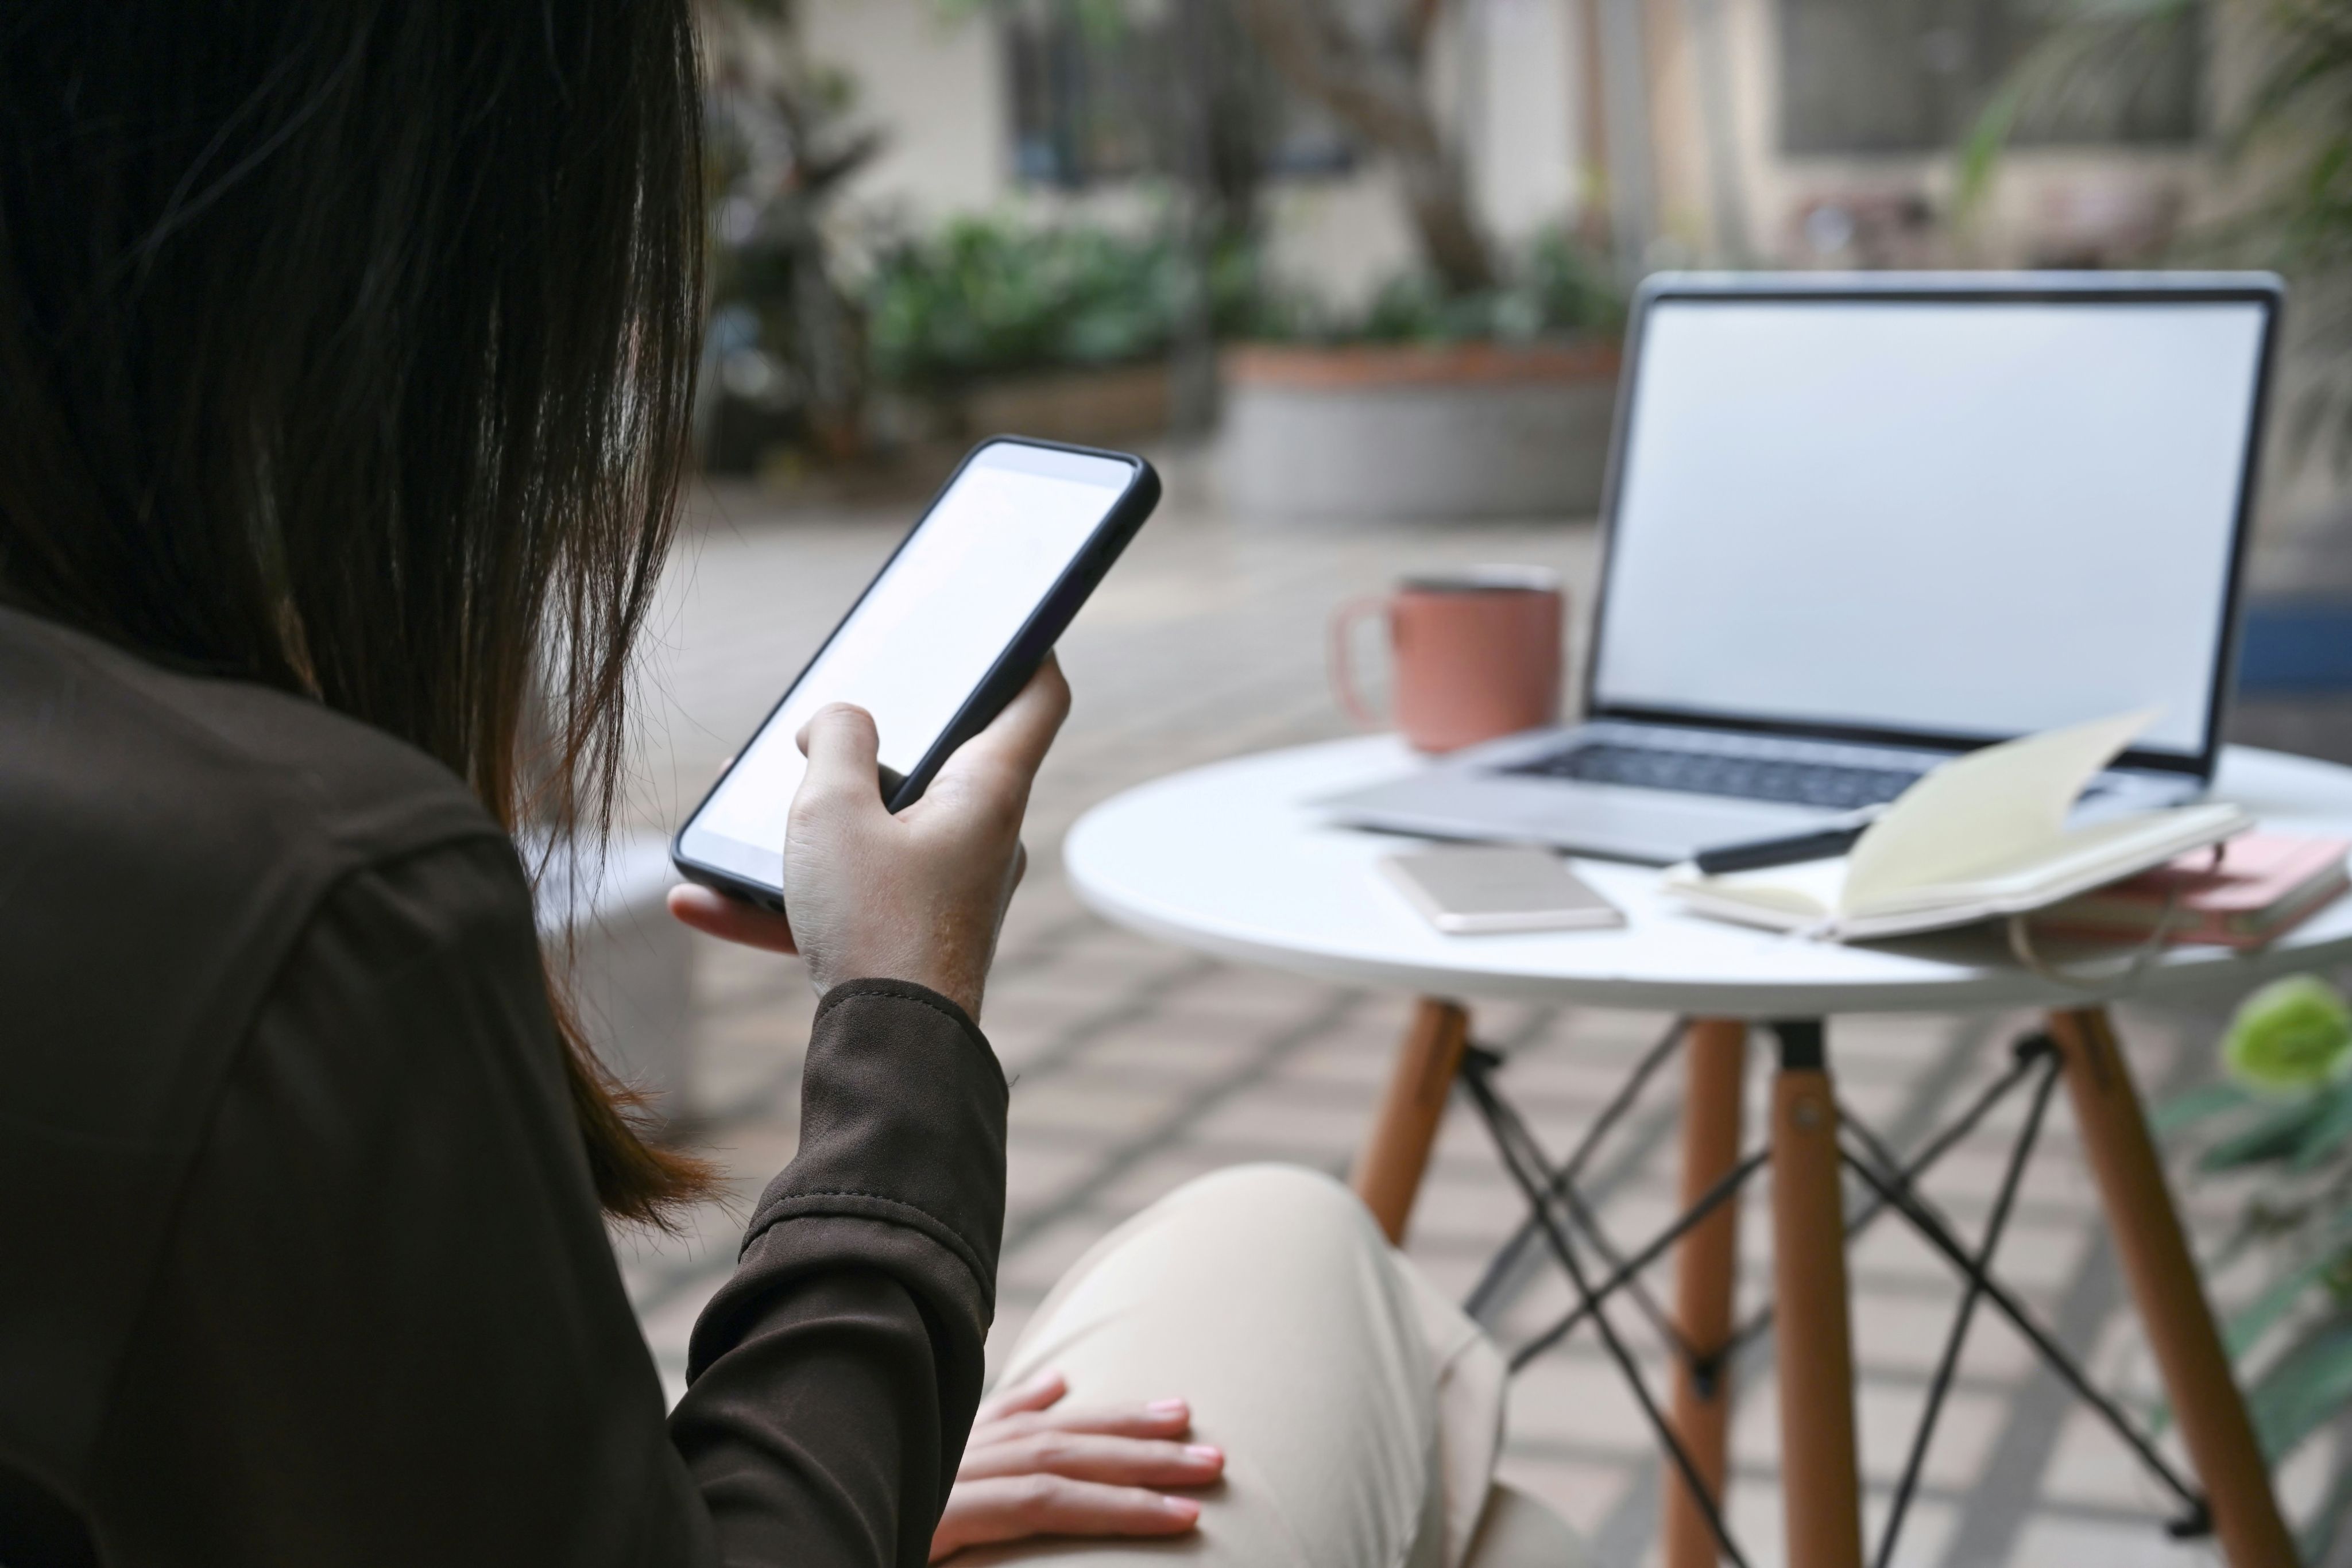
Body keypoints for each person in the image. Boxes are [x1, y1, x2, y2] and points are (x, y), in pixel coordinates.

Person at [0, 4, 1582, 1565]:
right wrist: (904, 1001)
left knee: (1480, 1502)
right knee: (1306, 1252)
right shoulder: (310, 897)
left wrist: (794, 1476)